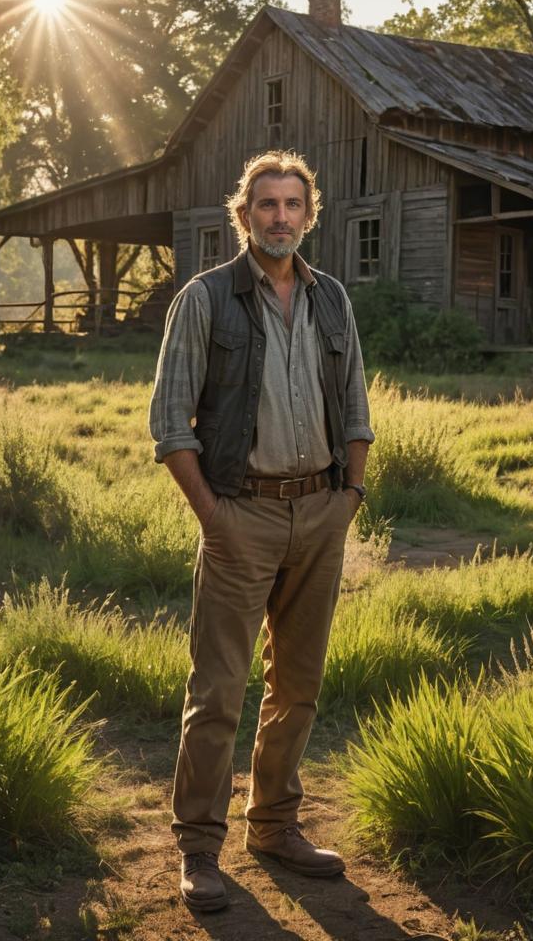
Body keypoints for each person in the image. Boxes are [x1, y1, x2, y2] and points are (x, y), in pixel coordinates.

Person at [149, 150, 374, 913]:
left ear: (309, 215)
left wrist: (349, 497)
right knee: (217, 690)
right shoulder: (206, 299)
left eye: (293, 205)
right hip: (239, 515)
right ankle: (199, 850)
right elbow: (168, 424)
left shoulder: (333, 300)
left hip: (321, 513)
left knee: (299, 686)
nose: (280, 217)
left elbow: (357, 410)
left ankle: (275, 826)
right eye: (266, 205)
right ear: (242, 215)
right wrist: (214, 518)